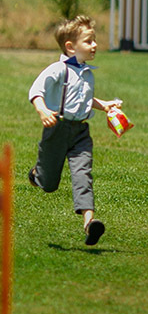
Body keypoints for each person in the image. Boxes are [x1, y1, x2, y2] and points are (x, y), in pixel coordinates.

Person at [27, 16, 124, 246]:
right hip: (57, 128)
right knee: (49, 184)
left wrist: (105, 105)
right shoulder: (58, 69)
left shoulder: (87, 73)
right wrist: (42, 111)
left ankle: (90, 223)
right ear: (71, 47)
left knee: (83, 175)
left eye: (95, 40)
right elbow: (36, 90)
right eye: (89, 41)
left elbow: (84, 99)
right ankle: (37, 175)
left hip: (81, 132)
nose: (95, 45)